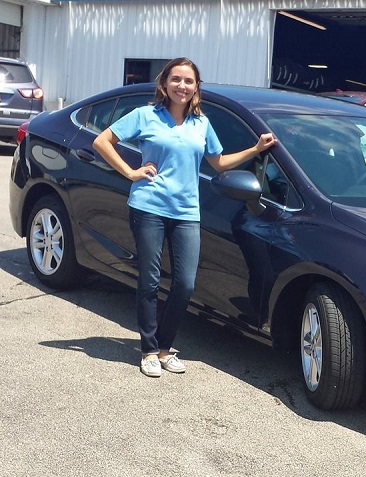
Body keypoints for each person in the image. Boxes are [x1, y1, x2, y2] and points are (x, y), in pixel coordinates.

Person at [93, 57, 276, 377]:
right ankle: (149, 350)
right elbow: (101, 141)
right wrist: (130, 172)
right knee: (149, 280)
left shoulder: (201, 124)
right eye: (176, 79)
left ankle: (165, 348)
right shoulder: (145, 115)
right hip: (149, 206)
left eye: (188, 81)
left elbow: (218, 163)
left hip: (187, 212)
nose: (182, 86)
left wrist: (255, 149)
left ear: (196, 88)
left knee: (185, 283)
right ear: (164, 84)